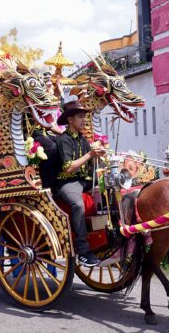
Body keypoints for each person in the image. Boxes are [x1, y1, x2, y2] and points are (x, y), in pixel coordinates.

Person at [54, 98, 106, 268]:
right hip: (67, 182)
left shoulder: (83, 140)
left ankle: (109, 236)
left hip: (85, 180)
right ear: (70, 120)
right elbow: (68, 168)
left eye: (84, 117)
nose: (84, 120)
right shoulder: (64, 140)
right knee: (77, 204)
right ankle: (83, 251)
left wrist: (102, 157)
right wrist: (91, 154)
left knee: (113, 190)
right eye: (80, 117)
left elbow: (90, 163)